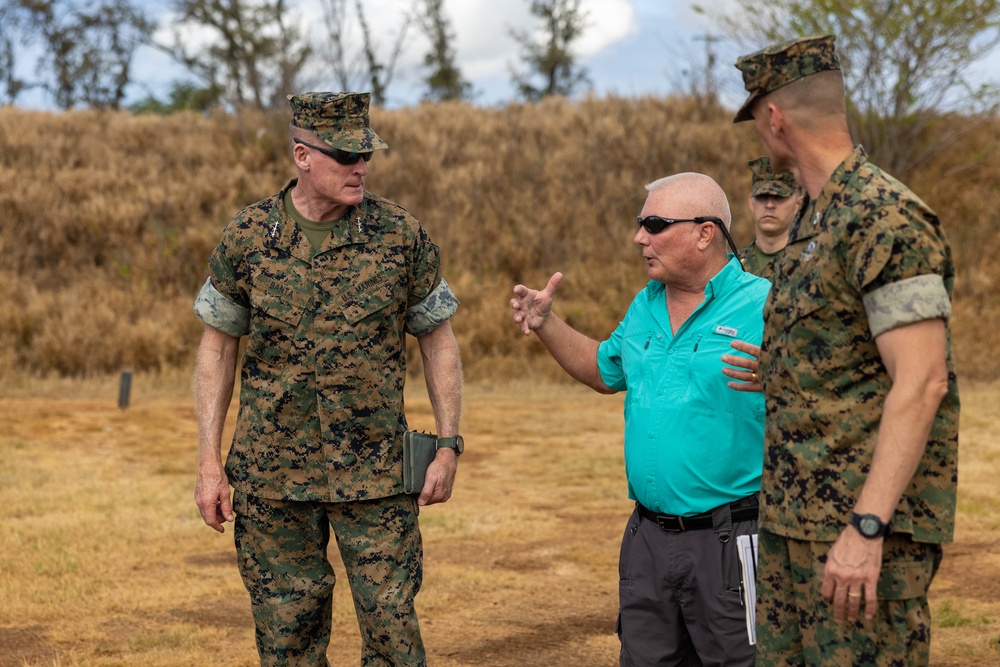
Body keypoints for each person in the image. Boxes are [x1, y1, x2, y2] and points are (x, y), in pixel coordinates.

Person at [193, 91, 464, 666]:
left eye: (366, 155)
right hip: (273, 476)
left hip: (378, 477)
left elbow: (438, 338)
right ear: (302, 156)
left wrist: (446, 446)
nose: (360, 167)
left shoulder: (399, 235)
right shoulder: (248, 237)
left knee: (393, 629)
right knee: (287, 637)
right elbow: (217, 346)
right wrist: (209, 463)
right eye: (345, 156)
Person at [731, 35, 960, 666]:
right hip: (792, 519)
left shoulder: (883, 217)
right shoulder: (813, 221)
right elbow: (841, 355)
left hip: (857, 530)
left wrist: (867, 528)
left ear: (773, 118)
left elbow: (922, 382)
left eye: (755, 121)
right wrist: (779, 371)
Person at [510, 172, 771, 666]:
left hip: (730, 541)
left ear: (704, 232)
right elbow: (603, 369)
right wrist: (546, 324)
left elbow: (826, 395)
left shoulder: (765, 303)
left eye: (654, 224)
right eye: (640, 224)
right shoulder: (646, 304)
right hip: (647, 542)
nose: (639, 238)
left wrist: (781, 377)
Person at [739, 155, 803, 281]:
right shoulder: (733, 265)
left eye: (779, 197)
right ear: (751, 202)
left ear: (798, 204)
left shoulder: (807, 262)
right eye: (762, 196)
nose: (769, 205)